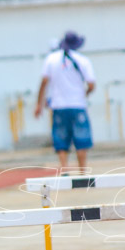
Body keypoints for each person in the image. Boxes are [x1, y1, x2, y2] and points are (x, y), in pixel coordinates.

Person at [34, 30, 97, 172]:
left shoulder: (51, 59)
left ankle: (64, 169)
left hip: (58, 106)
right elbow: (91, 85)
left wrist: (39, 104)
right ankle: (82, 171)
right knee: (81, 138)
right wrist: (84, 94)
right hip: (78, 105)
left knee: (61, 138)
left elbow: (44, 82)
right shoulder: (83, 60)